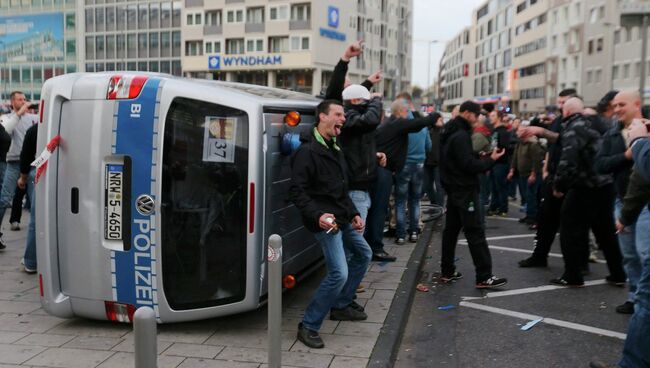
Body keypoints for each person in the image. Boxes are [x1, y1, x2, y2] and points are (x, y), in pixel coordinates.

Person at [290, 100, 372, 349]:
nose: (343, 119)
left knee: (363, 254)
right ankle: (309, 325)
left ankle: (341, 304)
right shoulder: (307, 152)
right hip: (325, 222)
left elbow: (340, 188)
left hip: (342, 216)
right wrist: (319, 216)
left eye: (344, 115)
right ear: (322, 117)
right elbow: (297, 192)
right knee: (339, 272)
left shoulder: (335, 147)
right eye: (338, 114)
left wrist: (354, 212)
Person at [550, 97, 626, 287]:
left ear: (566, 112)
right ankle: (618, 273)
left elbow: (568, 160)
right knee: (606, 232)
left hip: (585, 185)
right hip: (605, 184)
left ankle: (573, 275)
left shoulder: (574, 128)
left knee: (569, 229)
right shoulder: (596, 124)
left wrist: (559, 186)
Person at [439, 100, 508, 289]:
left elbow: (457, 160)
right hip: (464, 189)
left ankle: (447, 270)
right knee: (475, 231)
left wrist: (478, 158)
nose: (478, 119)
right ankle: (484, 276)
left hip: (453, 188)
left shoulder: (449, 131)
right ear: (468, 113)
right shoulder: (461, 135)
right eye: (476, 115)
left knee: (451, 231)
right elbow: (468, 166)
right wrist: (490, 160)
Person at [364, 100, 441, 262]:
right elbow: (419, 123)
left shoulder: (387, 124)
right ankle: (376, 248)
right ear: (401, 112)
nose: (408, 116)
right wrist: (434, 116)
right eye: (406, 112)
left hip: (379, 170)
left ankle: (371, 245)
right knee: (380, 211)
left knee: (379, 209)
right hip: (383, 172)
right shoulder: (397, 123)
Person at [595, 90, 648, 314]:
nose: (616, 110)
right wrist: (626, 156)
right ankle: (635, 297)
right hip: (621, 200)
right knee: (630, 255)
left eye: (621, 105)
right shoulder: (612, 133)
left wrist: (638, 145)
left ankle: (644, 300)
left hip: (645, 203)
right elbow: (600, 165)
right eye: (615, 106)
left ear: (636, 104)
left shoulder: (646, 129)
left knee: (645, 255)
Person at [517, 89, 578, 267]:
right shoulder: (559, 121)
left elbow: (564, 140)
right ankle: (539, 256)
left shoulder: (578, 123)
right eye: (559, 102)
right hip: (552, 175)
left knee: (571, 225)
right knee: (545, 220)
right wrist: (545, 169)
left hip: (568, 179)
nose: (560, 106)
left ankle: (578, 265)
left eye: (564, 102)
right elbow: (553, 147)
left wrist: (540, 131)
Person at [339, 84, 384, 222]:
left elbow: (357, 147)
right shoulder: (348, 117)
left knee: (358, 233)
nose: (368, 106)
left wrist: (374, 155)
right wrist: (376, 100)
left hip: (362, 186)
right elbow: (370, 120)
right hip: (355, 187)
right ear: (355, 101)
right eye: (366, 102)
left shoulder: (355, 119)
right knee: (357, 233)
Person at [0, 91, 38, 253]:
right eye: (19, 99)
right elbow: (6, 130)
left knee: (35, 202)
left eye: (24, 99)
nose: (23, 102)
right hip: (14, 163)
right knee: (4, 199)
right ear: (12, 102)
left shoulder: (32, 118)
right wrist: (19, 114)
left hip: (32, 163)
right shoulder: (6, 118)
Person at [394, 106, 431, 244]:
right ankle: (414, 232)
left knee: (400, 202)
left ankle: (400, 235)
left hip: (403, 165)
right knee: (415, 200)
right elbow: (429, 146)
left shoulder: (402, 126)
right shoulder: (423, 127)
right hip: (419, 165)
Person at [508, 134, 544, 227]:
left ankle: (534, 217)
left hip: (531, 174)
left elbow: (537, 160)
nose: (519, 136)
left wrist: (533, 174)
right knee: (526, 196)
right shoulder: (519, 143)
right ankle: (529, 215)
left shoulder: (533, 144)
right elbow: (515, 157)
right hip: (522, 174)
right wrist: (512, 169)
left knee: (532, 195)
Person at [17, 124, 37, 273]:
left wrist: (22, 178)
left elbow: (26, 156)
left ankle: (31, 261)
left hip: (38, 173)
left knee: (36, 219)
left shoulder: (34, 130)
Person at [487, 110, 512, 217]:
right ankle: (493, 207)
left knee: (501, 187)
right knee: (493, 187)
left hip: (501, 164)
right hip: (494, 163)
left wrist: (496, 151)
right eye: (490, 116)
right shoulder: (494, 131)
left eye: (492, 115)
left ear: (499, 117)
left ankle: (503, 209)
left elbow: (505, 148)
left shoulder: (503, 132)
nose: (490, 118)